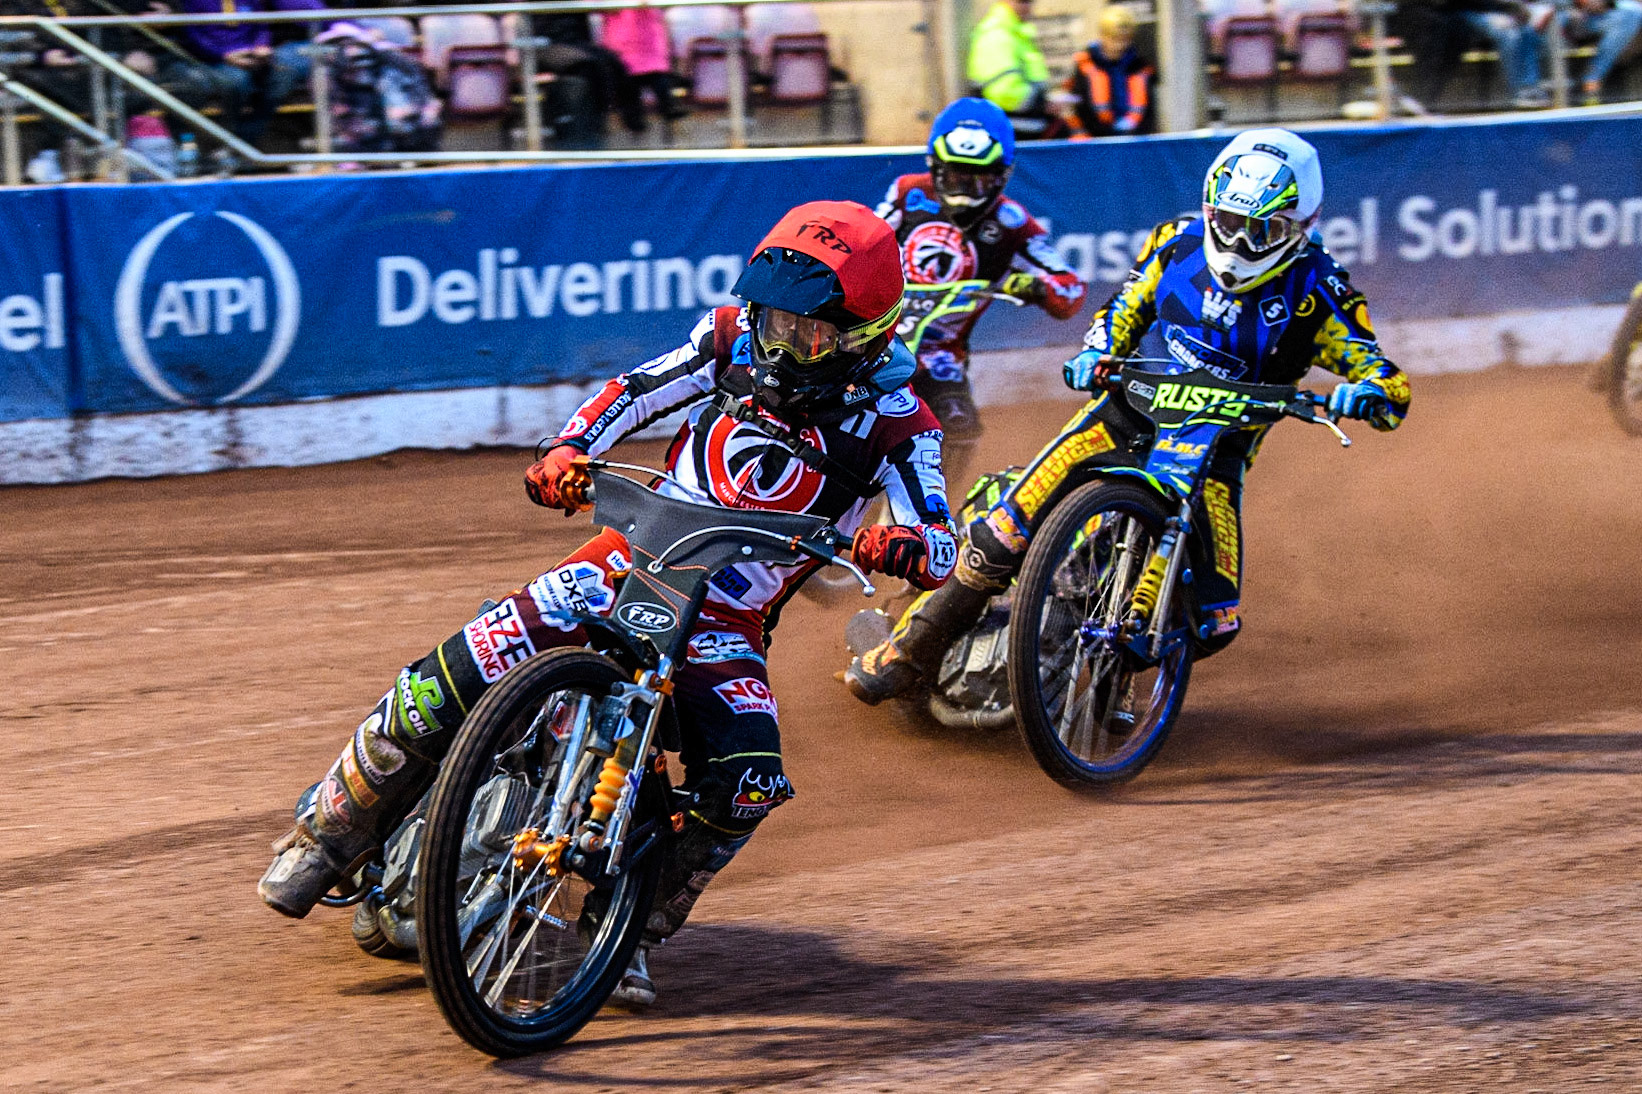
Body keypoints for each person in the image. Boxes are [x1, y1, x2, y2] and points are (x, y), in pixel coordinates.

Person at [258, 200, 957, 1008]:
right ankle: (329, 827)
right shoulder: (728, 337)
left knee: (750, 784)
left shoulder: (904, 424)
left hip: (726, 623)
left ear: (863, 334)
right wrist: (569, 447)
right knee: (465, 657)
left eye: (803, 331)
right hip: (626, 560)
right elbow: (636, 389)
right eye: (771, 319)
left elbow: (938, 535)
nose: (777, 342)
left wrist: (903, 546)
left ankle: (630, 925)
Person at [845, 128, 1411, 705]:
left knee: (1217, 621)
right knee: (999, 536)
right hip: (1122, 412)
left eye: (1261, 230)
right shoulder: (1176, 241)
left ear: (1302, 225)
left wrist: (1368, 394)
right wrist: (1096, 349)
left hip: (1215, 455)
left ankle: (1110, 688)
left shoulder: (1321, 287)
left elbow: (1384, 377)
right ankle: (902, 654)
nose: (1239, 243)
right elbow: (1125, 306)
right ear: (1210, 206)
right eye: (1228, 221)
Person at [875, 97, 1086, 458]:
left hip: (939, 355)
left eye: (978, 179)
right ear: (934, 166)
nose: (963, 190)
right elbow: (866, 236)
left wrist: (1034, 286)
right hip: (875, 336)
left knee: (960, 426)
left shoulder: (1013, 223)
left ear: (1002, 176)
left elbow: (1072, 290)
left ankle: (935, 510)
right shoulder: (909, 193)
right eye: (955, 176)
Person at [158, 0, 330, 141]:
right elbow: (193, 36)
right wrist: (223, 55)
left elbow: (261, 25)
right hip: (214, 59)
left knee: (283, 74)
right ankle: (230, 136)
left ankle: (250, 132)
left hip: (252, 55)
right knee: (237, 81)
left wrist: (262, 47)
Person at [967, 0, 1061, 138]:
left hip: (1029, 135)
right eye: (1022, 1)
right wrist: (1044, 104)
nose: (1029, 6)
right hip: (1012, 139)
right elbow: (1004, 93)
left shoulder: (1016, 33)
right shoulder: (997, 35)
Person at [1064, 5, 1155, 138]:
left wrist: (1136, 131)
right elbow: (1077, 104)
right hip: (1094, 139)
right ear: (1103, 36)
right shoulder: (1085, 64)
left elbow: (1148, 110)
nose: (1119, 45)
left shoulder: (1141, 67)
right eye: (1114, 38)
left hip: (1132, 138)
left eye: (1124, 40)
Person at [600, 5, 687, 122]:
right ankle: (633, 120)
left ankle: (669, 107)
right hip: (622, 53)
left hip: (650, 50)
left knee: (660, 82)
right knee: (628, 91)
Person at [1567, 0, 1642, 104]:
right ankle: (1592, 79)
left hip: (1612, 14)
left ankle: (1592, 79)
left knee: (1632, 11)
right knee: (1632, 13)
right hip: (1578, 18)